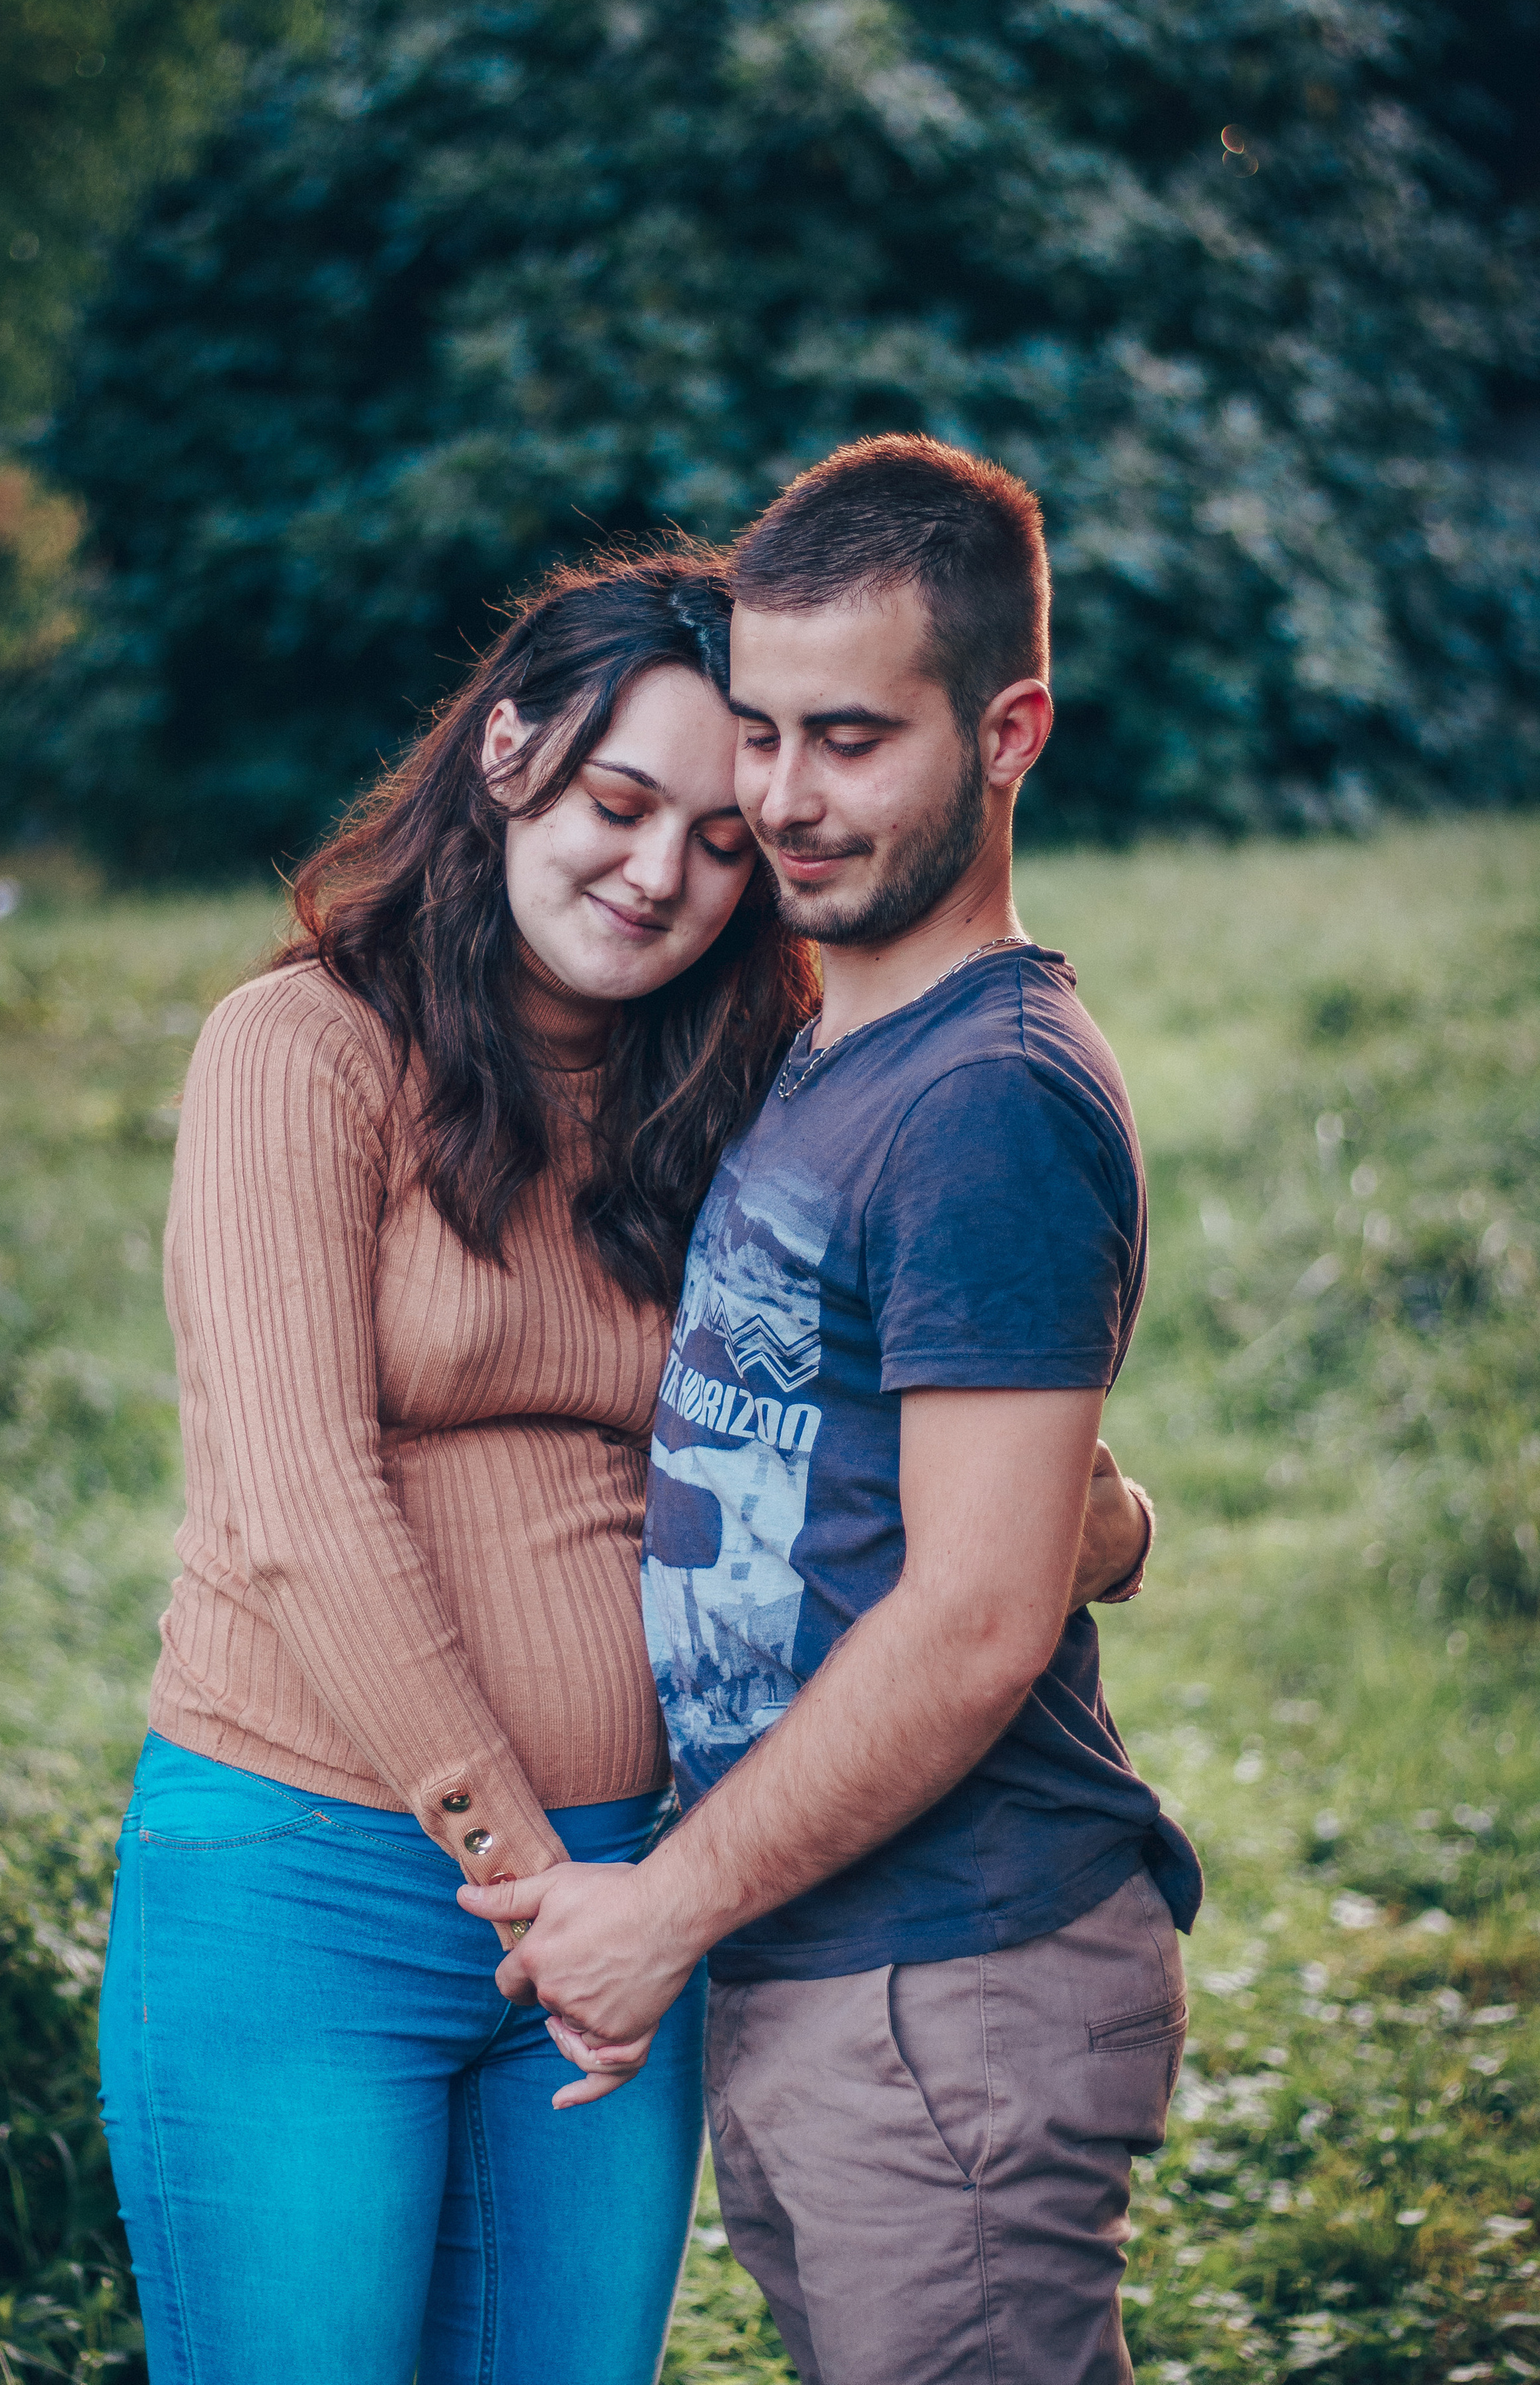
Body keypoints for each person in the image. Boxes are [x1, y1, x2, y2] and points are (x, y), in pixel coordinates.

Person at [97, 542, 1156, 2385]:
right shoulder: (305, 1051)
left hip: (632, 1892)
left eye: (719, 832)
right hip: (319, 1889)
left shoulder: (749, 1086)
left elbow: (936, 1431)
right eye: (614, 800)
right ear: (506, 752)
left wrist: (1105, 1526)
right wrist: (547, 1895)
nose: (660, 871)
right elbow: (299, 1515)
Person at [462, 441, 1203, 2385]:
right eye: (764, 735)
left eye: (852, 740)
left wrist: (662, 1911)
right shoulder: (831, 1042)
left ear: (1011, 728)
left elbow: (972, 1619)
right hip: (835, 1967)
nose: (781, 800)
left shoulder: (989, 1098)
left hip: (951, 1978)